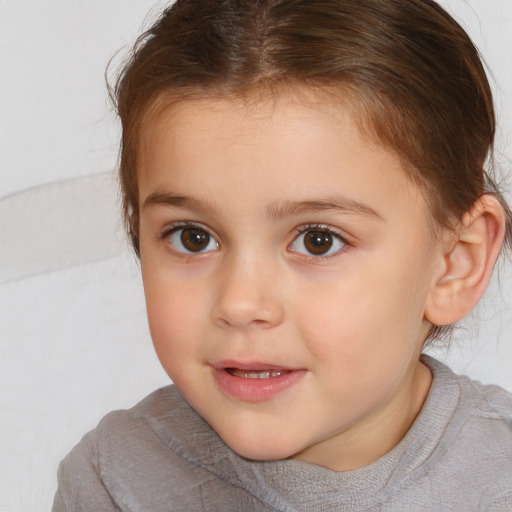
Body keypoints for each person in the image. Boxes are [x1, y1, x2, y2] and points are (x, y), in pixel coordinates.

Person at [53, 0, 512, 510]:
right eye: (193, 237)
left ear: (454, 264)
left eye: (319, 240)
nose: (241, 303)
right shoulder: (113, 482)